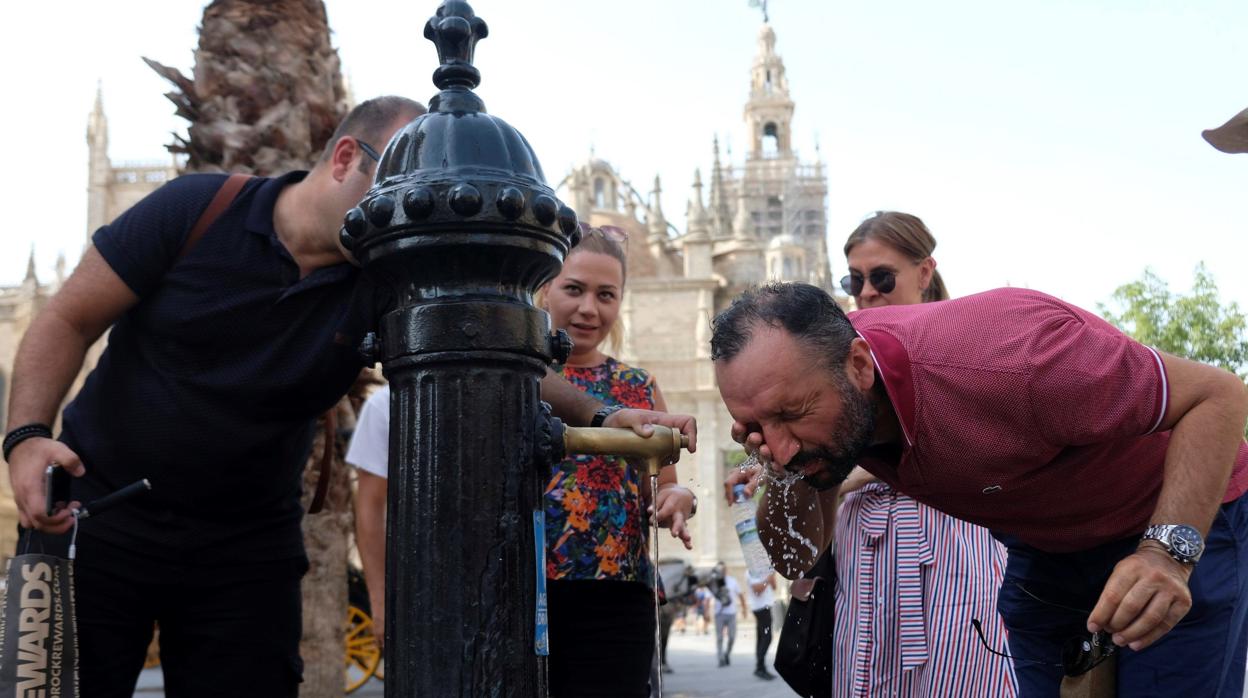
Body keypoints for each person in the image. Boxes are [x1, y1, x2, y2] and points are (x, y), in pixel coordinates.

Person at [1, 96, 694, 697]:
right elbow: (67, 317)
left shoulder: (380, 280)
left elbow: (488, 356)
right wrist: (27, 436)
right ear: (342, 159)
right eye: (393, 185)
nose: (404, 212)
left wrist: (604, 413)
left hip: (247, 547)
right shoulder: (198, 210)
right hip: (102, 516)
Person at [714, 281, 1248, 697]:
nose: (780, 447)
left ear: (859, 366)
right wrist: (781, 468)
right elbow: (792, 556)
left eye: (792, 414)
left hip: (1167, 516)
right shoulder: (813, 389)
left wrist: (1166, 555)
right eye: (758, 426)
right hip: (1047, 548)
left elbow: (1219, 396)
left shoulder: (1014, 362)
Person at [346, 226, 698, 698]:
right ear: (545, 286)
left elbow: (659, 487)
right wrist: (381, 597)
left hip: (615, 602)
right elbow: (372, 500)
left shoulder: (638, 384)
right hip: (507, 592)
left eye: (606, 294)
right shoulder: (501, 372)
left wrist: (679, 497)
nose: (589, 308)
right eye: (574, 289)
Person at [831, 212, 1016, 696]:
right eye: (854, 280)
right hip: (865, 548)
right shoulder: (837, 352)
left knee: (964, 673)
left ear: (925, 272)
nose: (867, 291)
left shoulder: (964, 339)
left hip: (948, 534)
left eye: (882, 277)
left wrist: (855, 476)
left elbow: (981, 442)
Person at [710, 561, 747, 668]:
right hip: (719, 614)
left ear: (726, 570)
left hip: (731, 613)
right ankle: (720, 658)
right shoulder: (714, 583)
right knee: (719, 637)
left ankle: (727, 654)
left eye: (723, 569)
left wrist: (744, 609)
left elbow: (740, 595)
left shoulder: (732, 581)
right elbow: (708, 597)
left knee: (731, 637)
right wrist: (707, 611)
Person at [746, 570, 777, 680]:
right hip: (760, 607)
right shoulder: (752, 571)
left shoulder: (765, 571)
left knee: (761, 637)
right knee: (767, 637)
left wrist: (772, 577)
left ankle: (760, 667)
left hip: (767, 605)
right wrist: (767, 579)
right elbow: (757, 590)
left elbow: (774, 587)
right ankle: (760, 666)